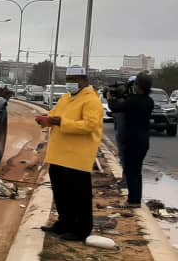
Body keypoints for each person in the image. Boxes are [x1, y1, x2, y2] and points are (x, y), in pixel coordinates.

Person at [36, 66, 104, 241]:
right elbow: (55, 115)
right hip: (60, 155)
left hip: (77, 157)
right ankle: (64, 223)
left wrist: (61, 122)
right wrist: (47, 119)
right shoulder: (67, 98)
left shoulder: (91, 100)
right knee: (62, 192)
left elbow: (90, 125)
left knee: (79, 195)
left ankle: (81, 229)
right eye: (68, 80)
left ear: (83, 80)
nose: (69, 84)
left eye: (73, 80)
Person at [107, 72, 154, 207]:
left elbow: (115, 107)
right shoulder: (148, 101)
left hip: (132, 141)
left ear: (138, 86)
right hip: (143, 141)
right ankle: (136, 199)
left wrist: (110, 98)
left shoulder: (133, 101)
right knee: (137, 171)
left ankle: (133, 201)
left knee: (131, 171)